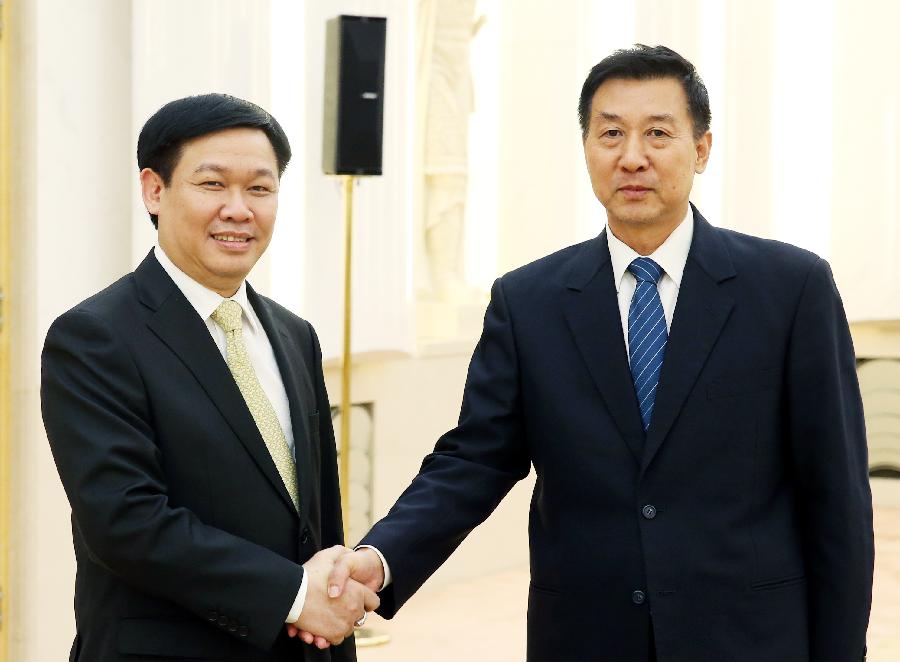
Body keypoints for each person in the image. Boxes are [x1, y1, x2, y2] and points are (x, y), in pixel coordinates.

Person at [308, 45, 875, 661]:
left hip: (748, 637)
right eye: (610, 133)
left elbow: (836, 495)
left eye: (658, 133)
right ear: (586, 149)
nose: (632, 156)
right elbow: (474, 459)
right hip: (586, 636)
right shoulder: (529, 301)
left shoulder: (791, 289)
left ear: (702, 148)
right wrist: (379, 559)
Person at [41, 93, 377, 661]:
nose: (239, 209)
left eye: (260, 189)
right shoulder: (95, 337)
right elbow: (125, 521)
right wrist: (294, 595)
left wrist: (330, 620)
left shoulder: (296, 336)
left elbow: (316, 523)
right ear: (154, 189)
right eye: (213, 184)